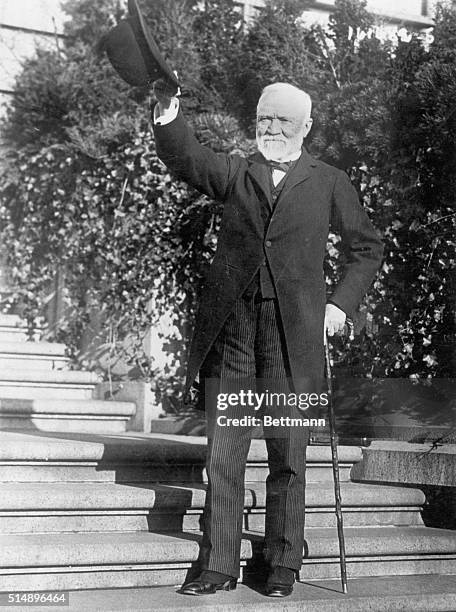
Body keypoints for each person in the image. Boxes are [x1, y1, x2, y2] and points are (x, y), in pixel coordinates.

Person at [151, 81, 383, 597]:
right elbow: (188, 157)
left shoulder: (330, 182)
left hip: (292, 338)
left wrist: (340, 304)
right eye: (264, 119)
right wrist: (169, 118)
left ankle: (282, 562)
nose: (272, 130)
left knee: (287, 453)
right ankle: (218, 565)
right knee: (225, 454)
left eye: (283, 121)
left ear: (306, 127)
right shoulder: (238, 172)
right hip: (234, 332)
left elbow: (366, 247)